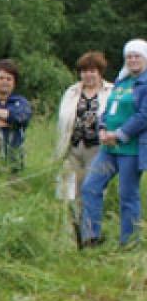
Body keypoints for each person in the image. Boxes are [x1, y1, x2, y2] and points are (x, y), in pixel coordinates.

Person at [80, 39, 147, 248]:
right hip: (109, 149)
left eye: (137, 56)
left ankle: (129, 242)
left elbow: (144, 116)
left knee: (127, 195)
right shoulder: (121, 82)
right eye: (129, 56)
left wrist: (119, 134)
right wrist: (102, 128)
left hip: (131, 149)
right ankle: (91, 237)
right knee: (90, 187)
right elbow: (108, 110)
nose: (133, 60)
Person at [54, 52, 110, 246]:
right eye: (85, 71)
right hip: (72, 149)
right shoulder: (72, 92)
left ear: (100, 72)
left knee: (92, 191)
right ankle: (70, 235)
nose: (88, 75)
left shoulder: (110, 91)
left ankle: (90, 235)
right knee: (68, 193)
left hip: (98, 150)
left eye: (93, 71)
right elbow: (63, 121)